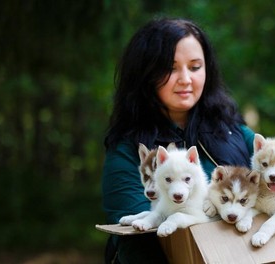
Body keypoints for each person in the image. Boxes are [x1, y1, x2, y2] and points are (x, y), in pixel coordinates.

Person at [101, 17, 255, 263]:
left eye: (195, 67)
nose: (185, 79)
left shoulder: (234, 131)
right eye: (171, 68)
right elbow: (136, 243)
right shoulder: (128, 150)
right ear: (146, 73)